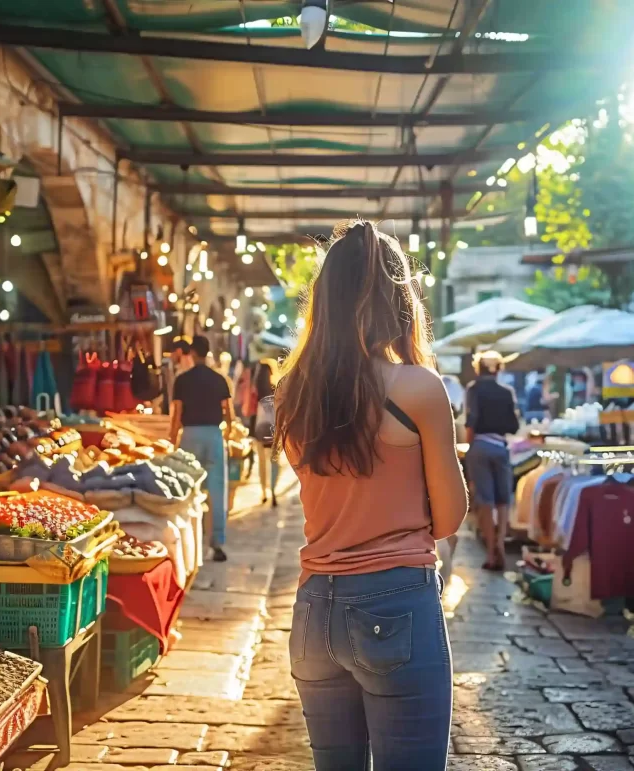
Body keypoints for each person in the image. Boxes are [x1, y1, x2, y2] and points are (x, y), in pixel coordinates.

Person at [273, 220, 467, 771]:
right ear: (397, 299)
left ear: (325, 298)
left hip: (313, 611)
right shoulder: (418, 389)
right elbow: (449, 518)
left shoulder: (293, 393)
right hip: (396, 603)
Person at [169, 335, 233, 562]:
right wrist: (223, 434)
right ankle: (217, 544)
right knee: (217, 492)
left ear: (191, 353)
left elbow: (177, 415)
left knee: (186, 490)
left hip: (190, 436)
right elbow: (229, 414)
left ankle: (187, 542)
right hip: (214, 435)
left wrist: (171, 440)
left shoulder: (182, 380)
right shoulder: (220, 379)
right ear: (207, 353)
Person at [465, 350, 520, 571]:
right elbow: (514, 426)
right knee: (503, 500)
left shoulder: (473, 389)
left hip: (480, 446)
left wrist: (470, 448)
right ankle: (501, 544)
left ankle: (490, 553)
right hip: (500, 446)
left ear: (478, 369)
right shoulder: (507, 392)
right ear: (498, 369)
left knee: (485, 500)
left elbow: (471, 421)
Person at [252, 359, 280, 506]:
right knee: (274, 462)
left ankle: (264, 491)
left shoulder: (254, 392)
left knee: (262, 463)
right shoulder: (275, 389)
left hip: (257, 429)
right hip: (273, 429)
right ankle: (273, 491)